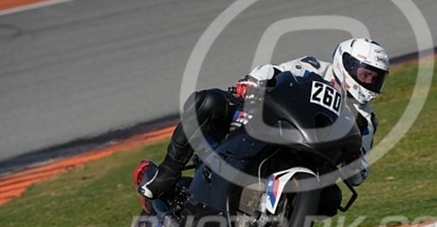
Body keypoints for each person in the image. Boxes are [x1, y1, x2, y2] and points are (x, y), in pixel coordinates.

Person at [137, 38, 390, 213]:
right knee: (208, 101)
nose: (370, 82)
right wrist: (252, 83)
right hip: (273, 127)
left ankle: (279, 224)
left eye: (376, 78)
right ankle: (167, 173)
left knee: (331, 199)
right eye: (366, 74)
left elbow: (359, 176)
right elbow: (274, 71)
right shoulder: (314, 67)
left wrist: (356, 160)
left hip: (311, 160)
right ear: (347, 64)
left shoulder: (365, 120)